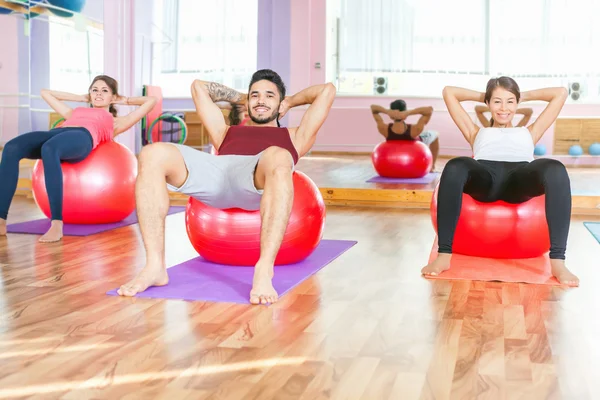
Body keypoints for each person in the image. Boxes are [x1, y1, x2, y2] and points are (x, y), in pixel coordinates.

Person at [117, 69, 336, 304]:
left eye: (269, 96)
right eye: (255, 95)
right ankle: (154, 266)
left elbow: (327, 90)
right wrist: (243, 97)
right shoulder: (225, 132)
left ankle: (264, 270)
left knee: (279, 156)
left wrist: (290, 101)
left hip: (254, 179)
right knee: (152, 153)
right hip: (216, 173)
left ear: (280, 103)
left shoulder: (295, 136)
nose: (261, 100)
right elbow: (198, 87)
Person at [422, 76, 578, 286]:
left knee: (555, 168)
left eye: (510, 102)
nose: (504, 108)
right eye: (497, 102)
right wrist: (487, 95)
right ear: (488, 103)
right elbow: (449, 91)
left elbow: (560, 93)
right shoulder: (475, 131)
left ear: (517, 102)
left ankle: (558, 261)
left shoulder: (530, 132)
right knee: (455, 164)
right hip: (484, 179)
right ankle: (444, 255)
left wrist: (519, 96)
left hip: (519, 179)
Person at [0, 75, 157, 242]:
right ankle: (1, 219)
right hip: (57, 133)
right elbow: (45, 93)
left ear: (113, 96)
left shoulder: (116, 121)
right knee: (11, 148)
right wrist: (81, 98)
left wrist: (122, 100)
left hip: (83, 138)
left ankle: (56, 224)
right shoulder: (72, 113)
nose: (98, 94)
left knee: (49, 148)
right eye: (94, 90)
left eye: (105, 91)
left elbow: (151, 100)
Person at [370, 99, 439, 171]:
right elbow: (429, 110)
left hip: (393, 145)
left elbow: (373, 108)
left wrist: (387, 112)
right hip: (416, 141)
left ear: (391, 116)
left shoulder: (384, 129)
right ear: (405, 111)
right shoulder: (415, 129)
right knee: (435, 134)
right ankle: (432, 167)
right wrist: (408, 113)